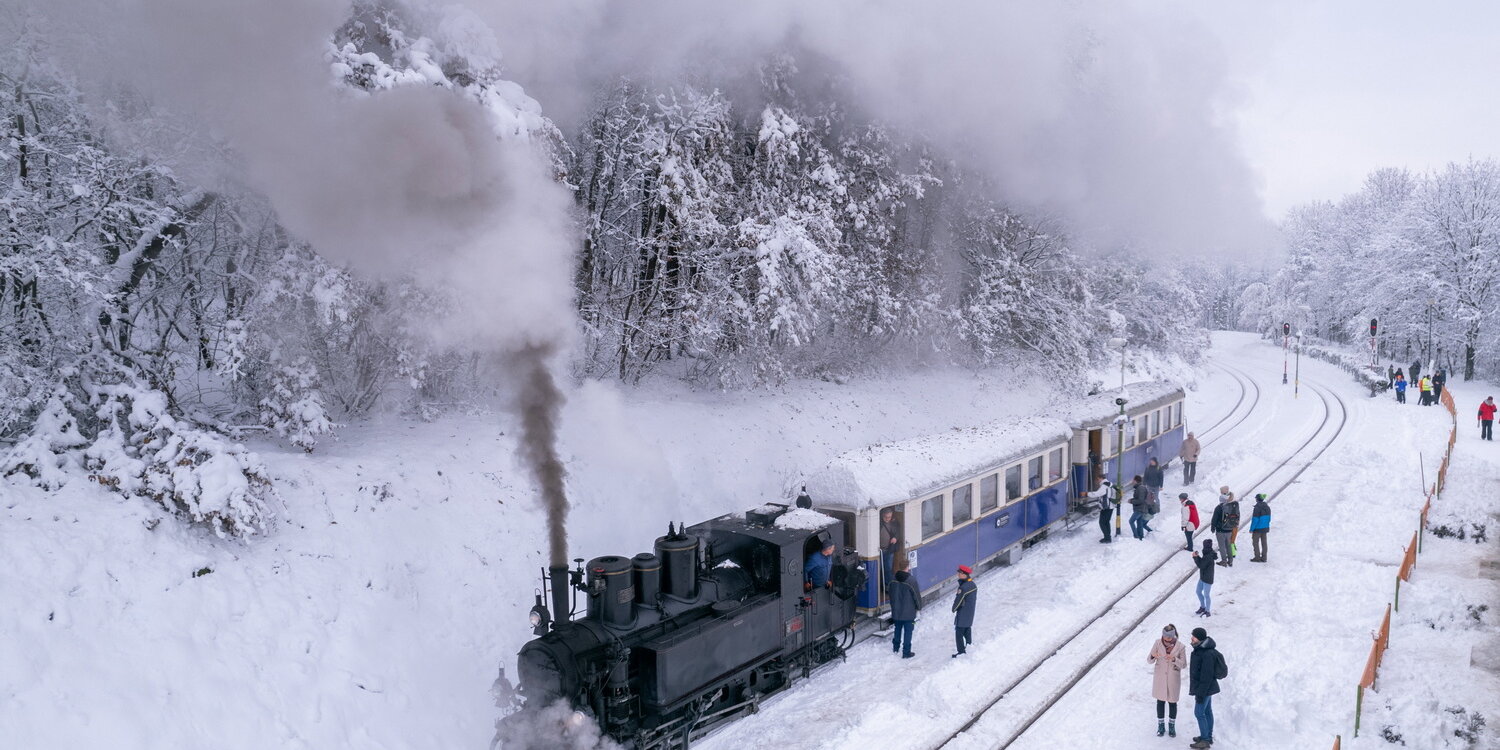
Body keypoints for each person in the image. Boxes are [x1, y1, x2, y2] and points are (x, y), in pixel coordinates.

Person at [1188, 627, 1226, 748]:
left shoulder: (1207, 654)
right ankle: (1207, 736)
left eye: (1193, 636)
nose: (1191, 638)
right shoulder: (1201, 650)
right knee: (1207, 711)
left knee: (1199, 713)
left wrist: (1200, 694)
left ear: (1199, 638)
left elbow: (1206, 676)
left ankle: (1205, 740)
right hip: (1207, 688)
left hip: (1205, 688)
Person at [1149, 624, 1188, 738]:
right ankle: (1161, 726)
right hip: (1160, 678)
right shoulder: (1157, 643)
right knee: (1160, 702)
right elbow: (1149, 660)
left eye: (1169, 638)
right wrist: (1153, 656)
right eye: (1165, 637)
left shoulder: (1180, 647)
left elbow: (1184, 664)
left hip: (1173, 678)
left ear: (1173, 636)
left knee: (1172, 703)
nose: (1167, 640)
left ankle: (1171, 726)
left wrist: (1174, 659)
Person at [888, 565, 921, 659]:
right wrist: (919, 608)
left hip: (896, 612)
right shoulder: (911, 581)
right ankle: (906, 652)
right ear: (907, 568)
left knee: (897, 629)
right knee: (908, 632)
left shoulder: (892, 579)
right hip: (909, 613)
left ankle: (895, 648)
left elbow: (890, 593)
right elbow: (916, 596)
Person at [952, 565, 977, 657]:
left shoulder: (964, 587)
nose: (958, 574)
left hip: (963, 612)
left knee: (959, 632)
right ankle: (969, 647)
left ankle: (961, 652)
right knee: (967, 629)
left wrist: (954, 608)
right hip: (970, 612)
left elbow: (959, 599)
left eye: (959, 572)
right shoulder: (972, 584)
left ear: (964, 574)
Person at [1210, 488, 1239, 567]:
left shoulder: (1219, 508)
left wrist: (1213, 527)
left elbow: (1214, 519)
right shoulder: (1231, 506)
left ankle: (1224, 561)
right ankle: (1230, 561)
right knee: (1228, 545)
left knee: (1222, 546)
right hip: (1229, 529)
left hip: (1220, 530)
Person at [880, 507, 901, 595]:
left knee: (888, 568)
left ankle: (889, 586)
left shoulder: (894, 522)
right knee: (881, 569)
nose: (887, 519)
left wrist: (895, 538)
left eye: (889, 517)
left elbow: (898, 532)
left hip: (889, 549)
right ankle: (883, 585)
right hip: (880, 550)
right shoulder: (878, 523)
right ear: (882, 516)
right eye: (886, 517)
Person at [1192, 539, 1216, 616]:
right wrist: (1197, 556)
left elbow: (1201, 565)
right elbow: (1203, 563)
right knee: (1198, 592)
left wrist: (1195, 558)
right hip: (1203, 577)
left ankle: (1207, 611)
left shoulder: (1208, 556)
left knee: (1206, 595)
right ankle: (1203, 606)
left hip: (1207, 579)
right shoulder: (1207, 553)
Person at [1143, 458, 1165, 531]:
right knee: (1149, 498)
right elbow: (1145, 476)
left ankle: (1157, 508)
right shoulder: (1148, 468)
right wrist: (1144, 483)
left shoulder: (1159, 468)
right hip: (1149, 485)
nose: (1151, 462)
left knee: (1156, 497)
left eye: (1152, 461)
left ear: (1155, 462)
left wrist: (1161, 486)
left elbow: (1161, 477)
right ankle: (1149, 508)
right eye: (1150, 461)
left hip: (1156, 485)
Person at [1249, 493, 1271, 562]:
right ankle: (1264, 558)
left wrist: (1251, 529)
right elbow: (1269, 518)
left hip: (1257, 529)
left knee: (1255, 543)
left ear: (1257, 499)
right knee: (1264, 543)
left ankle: (1257, 557)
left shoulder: (1257, 508)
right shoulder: (1267, 507)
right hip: (1265, 528)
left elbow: (1255, 520)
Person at [1128, 475, 1151, 540]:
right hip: (1141, 508)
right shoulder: (1140, 487)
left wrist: (1131, 501)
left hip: (1140, 508)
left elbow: (1141, 500)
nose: (1132, 481)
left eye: (1133, 480)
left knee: (1131, 521)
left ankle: (1136, 536)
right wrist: (1132, 500)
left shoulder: (1140, 488)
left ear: (1135, 480)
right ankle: (1140, 537)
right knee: (1139, 522)